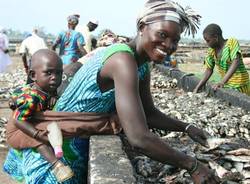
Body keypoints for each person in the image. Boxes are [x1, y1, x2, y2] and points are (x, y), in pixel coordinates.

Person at [3, 1, 219, 183]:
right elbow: (138, 137)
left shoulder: (140, 65)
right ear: (142, 27)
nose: (169, 45)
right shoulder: (122, 60)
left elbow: (149, 114)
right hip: (57, 155)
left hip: (73, 146)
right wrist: (192, 165)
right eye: (162, 34)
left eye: (176, 40)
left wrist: (186, 127)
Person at [5, 49, 74, 182]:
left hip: (29, 123)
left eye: (58, 73)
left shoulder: (48, 89)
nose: (54, 77)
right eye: (48, 73)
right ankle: (57, 165)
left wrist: (53, 97)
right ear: (33, 75)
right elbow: (18, 120)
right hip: (17, 130)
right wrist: (37, 134)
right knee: (40, 142)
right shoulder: (30, 97)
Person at [193, 23, 250, 95]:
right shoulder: (211, 51)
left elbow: (236, 61)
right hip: (227, 85)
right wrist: (197, 87)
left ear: (216, 37)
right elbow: (208, 70)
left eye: (208, 41)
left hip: (241, 84)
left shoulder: (231, 43)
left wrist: (222, 82)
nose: (207, 44)